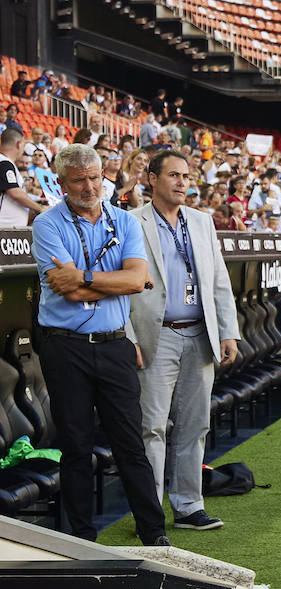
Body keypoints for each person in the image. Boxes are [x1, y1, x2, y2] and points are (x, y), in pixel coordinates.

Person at [30, 144, 168, 547]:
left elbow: (137, 279)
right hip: (64, 348)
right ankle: (82, 540)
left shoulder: (124, 222)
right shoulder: (47, 224)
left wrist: (85, 276)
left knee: (130, 442)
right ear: (62, 183)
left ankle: (154, 533)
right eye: (79, 180)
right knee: (74, 445)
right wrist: (118, 279)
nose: (89, 186)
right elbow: (70, 292)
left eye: (95, 177)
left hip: (114, 345)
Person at [128, 150, 240, 531]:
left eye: (186, 176)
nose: (181, 182)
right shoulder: (131, 222)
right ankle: (150, 513)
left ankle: (189, 506)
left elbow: (219, 283)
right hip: (155, 336)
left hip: (199, 336)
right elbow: (122, 290)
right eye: (173, 175)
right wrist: (130, 338)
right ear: (152, 179)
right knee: (152, 427)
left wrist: (228, 331)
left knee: (195, 426)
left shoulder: (203, 222)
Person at [0, 128, 46, 227]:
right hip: (5, 232)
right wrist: (40, 208)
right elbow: (15, 193)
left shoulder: (6, 162)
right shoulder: (4, 163)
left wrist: (33, 203)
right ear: (19, 144)